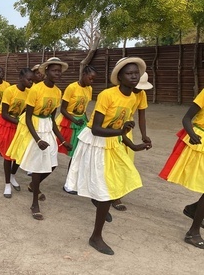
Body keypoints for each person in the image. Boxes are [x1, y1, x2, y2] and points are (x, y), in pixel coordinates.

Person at [65, 57, 150, 255]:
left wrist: (134, 145)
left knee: (113, 183)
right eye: (129, 73)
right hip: (95, 142)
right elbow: (96, 129)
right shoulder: (107, 95)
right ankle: (96, 237)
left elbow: (121, 127)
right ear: (119, 77)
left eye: (136, 73)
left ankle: (99, 205)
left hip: (113, 141)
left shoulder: (134, 97)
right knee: (106, 190)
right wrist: (122, 133)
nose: (134, 76)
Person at [6, 57, 72, 220]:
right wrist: (37, 139)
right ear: (46, 71)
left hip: (47, 128)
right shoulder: (36, 90)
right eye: (54, 70)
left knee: (52, 164)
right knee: (37, 166)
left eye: (59, 71)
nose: (58, 73)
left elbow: (52, 118)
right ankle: (34, 203)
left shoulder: (57, 92)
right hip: (33, 128)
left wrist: (62, 140)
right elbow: (27, 118)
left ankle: (33, 185)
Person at [160, 88, 204, 249]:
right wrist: (191, 134)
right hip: (199, 142)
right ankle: (193, 233)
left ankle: (193, 209)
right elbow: (186, 118)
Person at [0, 68, 33, 198]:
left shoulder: (29, 93)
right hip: (6, 122)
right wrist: (18, 122)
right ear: (20, 78)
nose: (31, 82)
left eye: (32, 80)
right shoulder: (10, 91)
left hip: (18, 123)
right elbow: (5, 113)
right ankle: (7, 184)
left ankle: (13, 176)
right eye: (29, 80)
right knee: (8, 155)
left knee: (19, 154)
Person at [112, 72, 154, 211]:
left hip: (126, 130)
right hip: (112, 129)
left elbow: (142, 116)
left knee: (126, 161)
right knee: (114, 162)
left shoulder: (141, 94)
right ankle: (114, 196)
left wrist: (144, 135)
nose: (139, 90)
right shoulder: (116, 93)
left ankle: (116, 192)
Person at [57, 66, 97, 194]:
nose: (92, 81)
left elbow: (83, 108)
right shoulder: (71, 87)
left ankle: (70, 183)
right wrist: (74, 120)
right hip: (68, 122)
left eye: (94, 79)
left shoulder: (89, 89)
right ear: (84, 74)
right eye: (90, 78)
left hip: (81, 122)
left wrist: (87, 123)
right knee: (58, 148)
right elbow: (63, 109)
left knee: (77, 154)